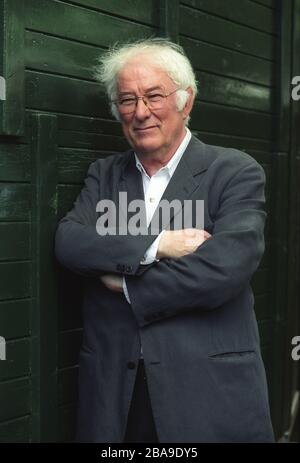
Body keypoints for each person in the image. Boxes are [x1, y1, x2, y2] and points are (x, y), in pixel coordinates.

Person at [55, 38, 275, 443]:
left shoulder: (234, 171)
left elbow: (224, 269)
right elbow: (70, 242)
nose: (140, 112)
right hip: (116, 397)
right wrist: (157, 245)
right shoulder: (104, 174)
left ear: (185, 101)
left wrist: (123, 283)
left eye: (154, 96)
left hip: (205, 391)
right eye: (127, 100)